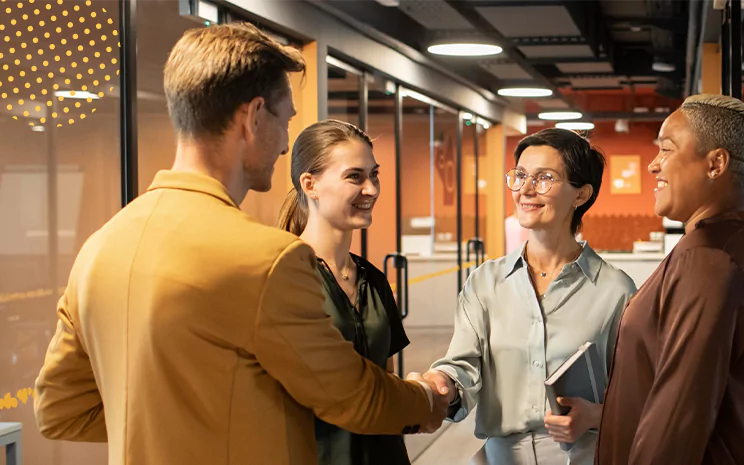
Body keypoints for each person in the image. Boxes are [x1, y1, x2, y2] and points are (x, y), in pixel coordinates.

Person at [32, 23, 448, 465]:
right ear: (252, 118)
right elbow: (352, 397)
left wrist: (194, 421)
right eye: (285, 119)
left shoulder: (100, 247)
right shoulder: (267, 259)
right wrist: (425, 401)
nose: (287, 143)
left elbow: (60, 411)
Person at [418, 128, 637, 465]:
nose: (525, 189)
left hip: (584, 456)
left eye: (544, 178)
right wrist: (440, 382)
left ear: (581, 195)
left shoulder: (615, 291)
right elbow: (463, 365)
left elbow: (637, 394)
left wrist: (594, 415)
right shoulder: (486, 282)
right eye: (520, 176)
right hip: (501, 456)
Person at [595, 94, 744, 464]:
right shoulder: (738, 245)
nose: (653, 166)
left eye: (667, 150)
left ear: (715, 164)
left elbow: (678, 418)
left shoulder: (708, 261)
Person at [277, 120, 411, 465]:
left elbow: (386, 379)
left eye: (374, 175)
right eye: (355, 176)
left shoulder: (375, 281)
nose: (371, 189)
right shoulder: (282, 276)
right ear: (311, 184)